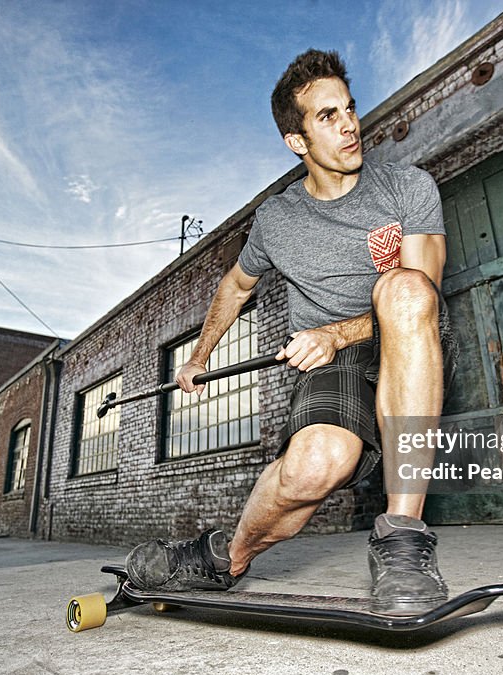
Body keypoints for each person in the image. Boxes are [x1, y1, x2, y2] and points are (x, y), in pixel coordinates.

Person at [126, 48, 457, 616]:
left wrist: (334, 332)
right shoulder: (277, 220)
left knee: (401, 289)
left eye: (349, 108)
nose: (350, 124)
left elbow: (422, 289)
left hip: (406, 342)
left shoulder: (407, 188)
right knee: (313, 467)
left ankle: (402, 538)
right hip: (333, 365)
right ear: (296, 141)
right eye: (327, 116)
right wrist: (198, 357)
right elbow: (235, 286)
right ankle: (223, 559)